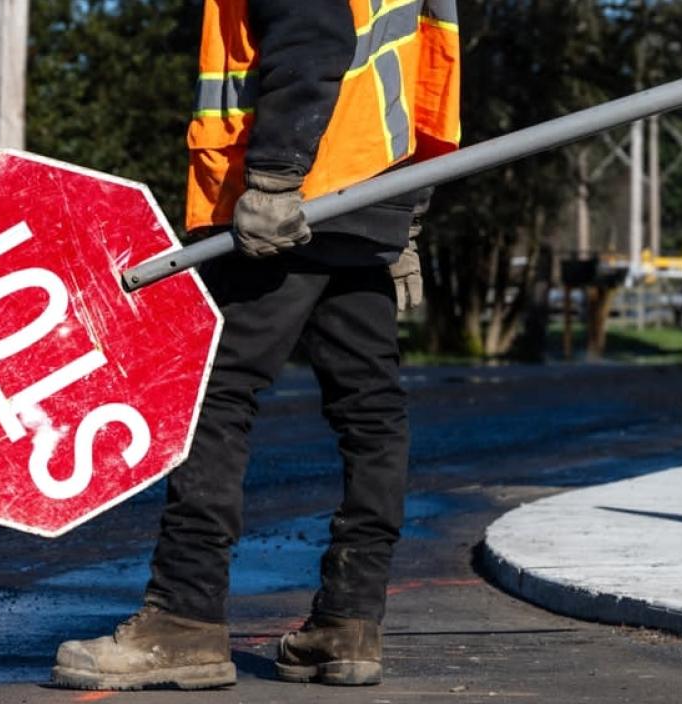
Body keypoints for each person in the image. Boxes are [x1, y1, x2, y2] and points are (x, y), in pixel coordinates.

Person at [51, 0, 460, 691]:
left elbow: (314, 34)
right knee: (370, 409)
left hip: (297, 196)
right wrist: (407, 212)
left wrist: (272, 179)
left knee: (213, 393)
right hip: (370, 191)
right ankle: (351, 623)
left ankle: (183, 620)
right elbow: (420, 71)